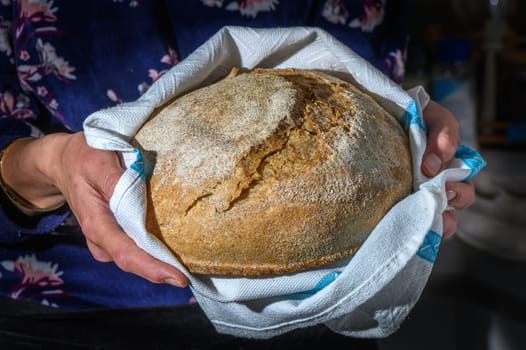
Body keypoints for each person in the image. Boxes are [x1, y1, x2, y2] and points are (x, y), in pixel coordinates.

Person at [0, 0, 474, 312]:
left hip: (322, 322)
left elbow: (372, 96)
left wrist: (414, 139)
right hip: (72, 318)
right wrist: (44, 164)